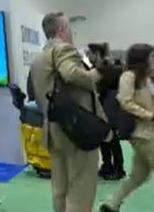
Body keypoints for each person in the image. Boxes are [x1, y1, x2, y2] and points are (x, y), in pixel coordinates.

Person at [29, 12, 105, 212]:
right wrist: (99, 73)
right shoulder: (64, 49)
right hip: (75, 128)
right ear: (62, 30)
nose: (72, 32)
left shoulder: (39, 58)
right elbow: (71, 74)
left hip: (52, 129)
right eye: (69, 28)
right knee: (80, 188)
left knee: (60, 189)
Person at [100, 44, 154, 212]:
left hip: (150, 132)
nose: (152, 59)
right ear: (141, 59)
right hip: (141, 134)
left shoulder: (145, 78)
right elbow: (125, 102)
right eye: (150, 56)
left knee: (139, 175)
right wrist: (150, 116)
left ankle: (112, 202)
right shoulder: (128, 77)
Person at [87, 43, 125, 180]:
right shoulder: (98, 69)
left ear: (97, 54)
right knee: (103, 137)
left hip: (110, 106)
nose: (87, 56)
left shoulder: (108, 69)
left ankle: (119, 169)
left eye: (90, 53)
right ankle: (107, 165)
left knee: (113, 138)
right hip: (102, 105)